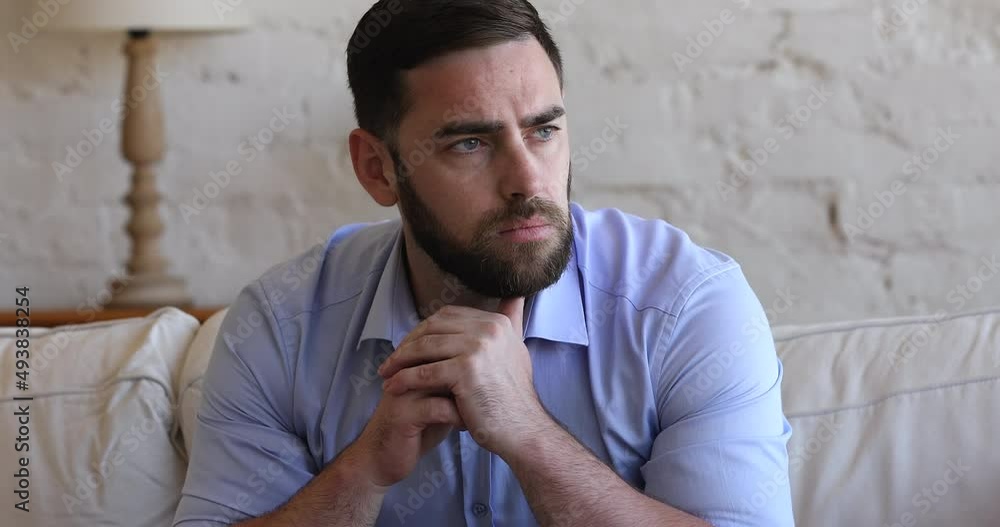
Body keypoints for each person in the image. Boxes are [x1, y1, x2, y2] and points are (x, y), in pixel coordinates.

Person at [173, 1, 795, 525]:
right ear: (377, 168)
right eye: (470, 142)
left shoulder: (688, 303)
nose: (528, 180)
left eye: (544, 131)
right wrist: (364, 472)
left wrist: (528, 434)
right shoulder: (281, 325)